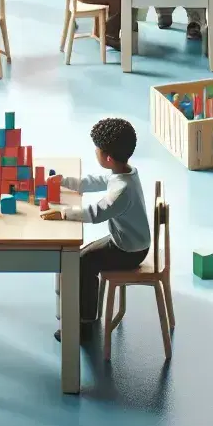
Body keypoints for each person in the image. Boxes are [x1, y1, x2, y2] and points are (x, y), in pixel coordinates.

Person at [41, 118, 150, 343]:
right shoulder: (125, 172)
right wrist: (66, 181)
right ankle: (82, 311)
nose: (95, 153)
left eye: (97, 150)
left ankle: (83, 324)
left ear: (107, 158)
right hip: (130, 240)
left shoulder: (121, 190)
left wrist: (64, 212)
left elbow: (96, 213)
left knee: (81, 262)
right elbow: (96, 181)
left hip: (129, 250)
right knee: (81, 257)